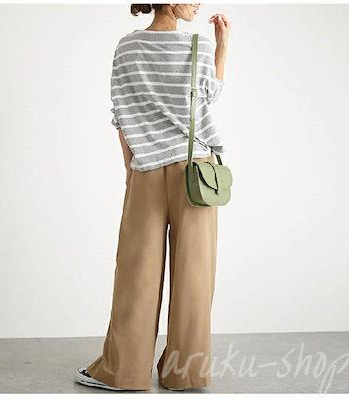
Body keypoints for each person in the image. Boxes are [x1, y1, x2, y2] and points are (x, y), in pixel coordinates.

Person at [75, 3, 230, 391]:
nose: (197, 3)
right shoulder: (198, 44)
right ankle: (185, 373)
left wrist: (132, 168)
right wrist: (222, 46)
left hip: (146, 169)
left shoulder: (126, 47)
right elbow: (209, 95)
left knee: (136, 272)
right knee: (194, 275)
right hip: (196, 172)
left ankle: (123, 372)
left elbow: (122, 113)